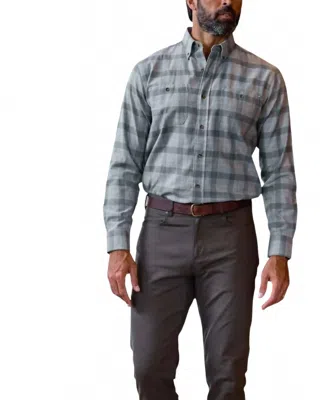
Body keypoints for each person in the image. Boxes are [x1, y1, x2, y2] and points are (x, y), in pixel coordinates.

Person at [103, 0, 298, 398]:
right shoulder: (148, 72)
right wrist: (117, 245)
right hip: (161, 233)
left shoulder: (265, 78)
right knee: (149, 366)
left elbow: (279, 172)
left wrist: (280, 251)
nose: (227, 2)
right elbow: (124, 164)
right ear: (190, 1)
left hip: (231, 238)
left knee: (228, 374)